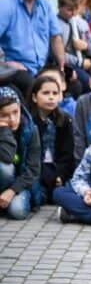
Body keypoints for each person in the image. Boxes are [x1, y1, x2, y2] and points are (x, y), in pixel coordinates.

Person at [0, 0, 67, 93]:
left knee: (74, 82)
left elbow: (55, 37)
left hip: (41, 67)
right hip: (15, 70)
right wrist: (4, 64)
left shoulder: (45, 3)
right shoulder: (5, 5)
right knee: (33, 86)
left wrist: (62, 67)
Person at [26, 76, 75, 202]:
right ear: (34, 97)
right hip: (36, 173)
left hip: (58, 173)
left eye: (55, 93)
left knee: (67, 192)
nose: (51, 97)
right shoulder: (28, 122)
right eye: (46, 93)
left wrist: (60, 175)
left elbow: (67, 154)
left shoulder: (65, 120)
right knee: (35, 196)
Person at [0, 86, 40, 220]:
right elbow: (7, 156)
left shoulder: (31, 130)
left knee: (17, 211)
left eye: (15, 112)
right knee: (4, 167)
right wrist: (5, 132)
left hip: (21, 185)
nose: (12, 119)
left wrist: (12, 191)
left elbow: (33, 170)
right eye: (4, 115)